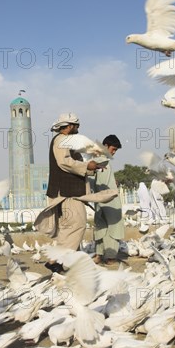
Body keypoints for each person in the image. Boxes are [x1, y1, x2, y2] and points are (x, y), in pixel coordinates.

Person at [44, 113, 99, 273]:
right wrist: (87, 166)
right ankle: (58, 261)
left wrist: (90, 168)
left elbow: (71, 163)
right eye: (76, 126)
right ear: (68, 126)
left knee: (69, 228)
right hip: (67, 192)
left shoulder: (66, 142)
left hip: (67, 191)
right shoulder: (62, 140)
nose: (78, 129)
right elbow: (64, 162)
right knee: (77, 224)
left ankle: (62, 262)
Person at [90, 135, 124, 265]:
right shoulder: (103, 162)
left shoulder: (94, 161)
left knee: (100, 227)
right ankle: (110, 257)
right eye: (113, 149)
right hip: (110, 200)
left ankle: (99, 255)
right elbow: (103, 182)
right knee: (113, 227)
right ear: (105, 146)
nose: (114, 152)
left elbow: (94, 180)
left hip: (99, 199)